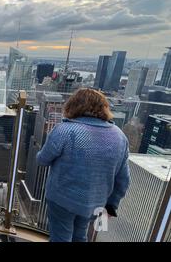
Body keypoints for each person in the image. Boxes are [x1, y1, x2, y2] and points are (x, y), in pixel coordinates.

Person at [37, 88, 130, 242]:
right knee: (80, 236)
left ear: (72, 106)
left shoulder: (64, 130)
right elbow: (123, 179)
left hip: (62, 199)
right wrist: (111, 206)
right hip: (95, 203)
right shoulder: (120, 137)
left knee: (61, 237)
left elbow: (42, 160)